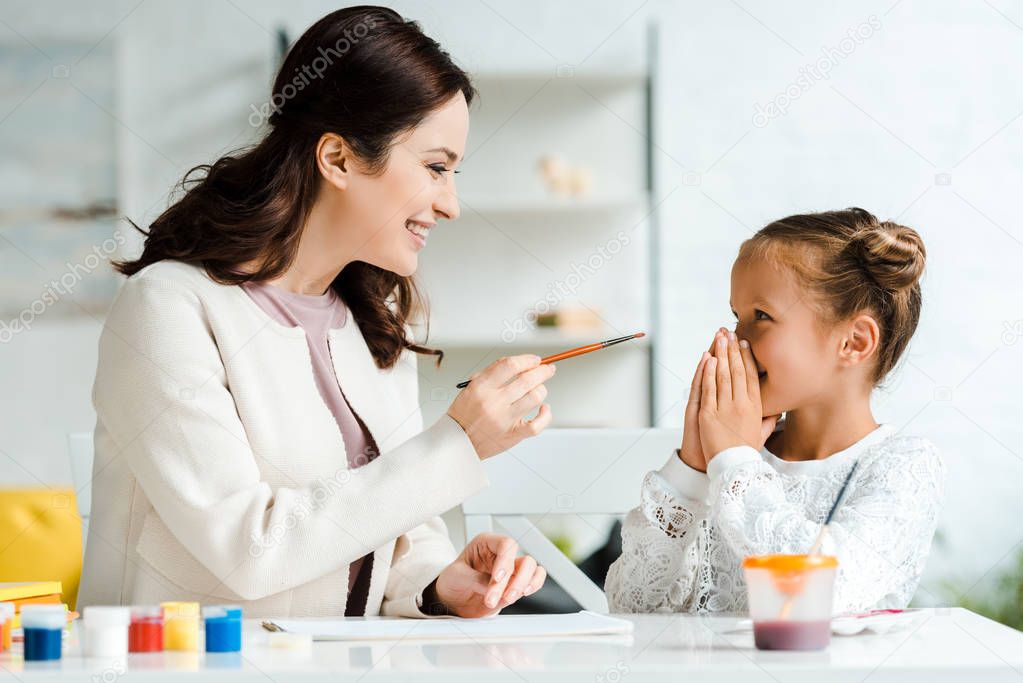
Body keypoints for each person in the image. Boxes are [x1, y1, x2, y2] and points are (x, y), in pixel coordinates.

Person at [79, 6, 553, 618]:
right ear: (337, 159)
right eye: (436, 167)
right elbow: (248, 550)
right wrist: (456, 444)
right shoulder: (167, 309)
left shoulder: (374, 323)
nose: (451, 203)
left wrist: (436, 583)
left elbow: (394, 538)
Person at [606, 208, 946, 614]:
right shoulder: (729, 462)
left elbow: (820, 591)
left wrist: (732, 460)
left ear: (853, 342)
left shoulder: (903, 466)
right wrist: (693, 469)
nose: (735, 340)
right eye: (736, 317)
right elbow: (632, 608)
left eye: (761, 317)